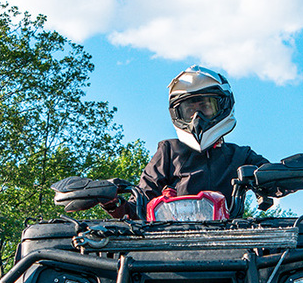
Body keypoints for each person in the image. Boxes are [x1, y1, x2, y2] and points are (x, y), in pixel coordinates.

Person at [108, 65, 268, 219]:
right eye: (189, 110)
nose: (197, 117)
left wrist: (284, 174)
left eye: (206, 107)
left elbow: (273, 176)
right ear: (178, 114)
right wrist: (112, 202)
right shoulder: (169, 151)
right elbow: (139, 205)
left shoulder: (241, 155)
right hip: (173, 240)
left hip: (231, 238)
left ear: (223, 106)